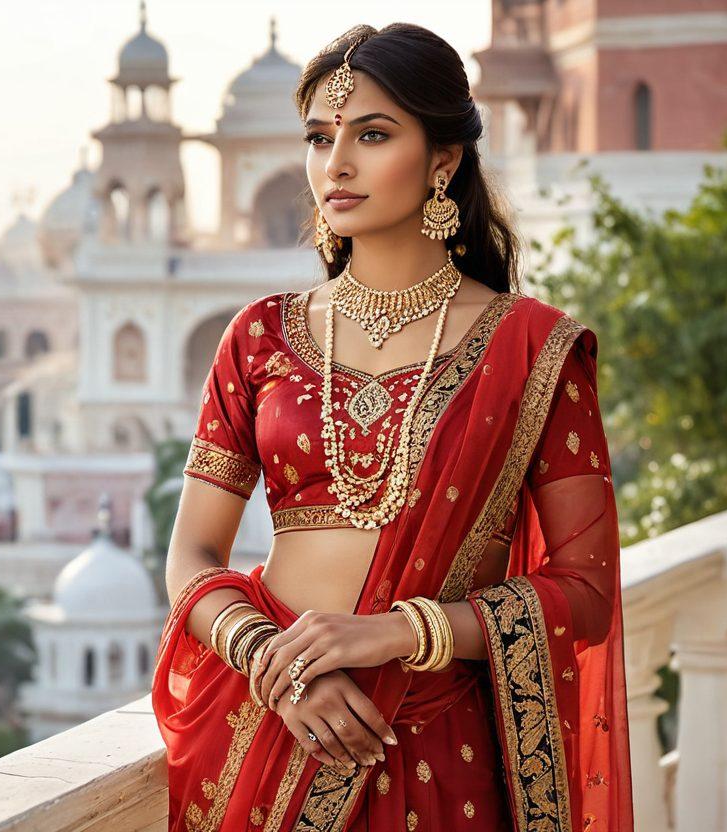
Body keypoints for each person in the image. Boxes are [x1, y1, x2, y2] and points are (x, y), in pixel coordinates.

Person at [151, 22, 634, 832]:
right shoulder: (260, 336)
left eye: (371, 135)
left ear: (443, 160)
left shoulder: (534, 349)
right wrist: (276, 661)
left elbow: (585, 594)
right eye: (317, 137)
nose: (333, 165)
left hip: (438, 745)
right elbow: (193, 555)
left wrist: (394, 634)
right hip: (269, 727)